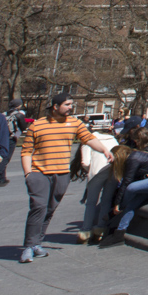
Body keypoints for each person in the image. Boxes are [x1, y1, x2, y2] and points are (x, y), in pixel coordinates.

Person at [18, 93, 110, 264]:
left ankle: (38, 242)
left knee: (50, 209)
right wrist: (28, 174)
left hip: (61, 173)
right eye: (67, 104)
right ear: (55, 106)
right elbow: (26, 151)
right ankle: (28, 247)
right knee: (39, 207)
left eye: (71, 104)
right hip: (39, 172)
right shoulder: (38, 125)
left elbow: (89, 138)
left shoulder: (74, 123)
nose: (70, 107)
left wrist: (104, 150)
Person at [102, 125, 148, 246]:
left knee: (131, 188)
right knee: (132, 204)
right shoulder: (134, 156)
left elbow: (127, 182)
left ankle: (117, 211)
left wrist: (118, 204)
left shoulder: (133, 158)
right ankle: (119, 233)